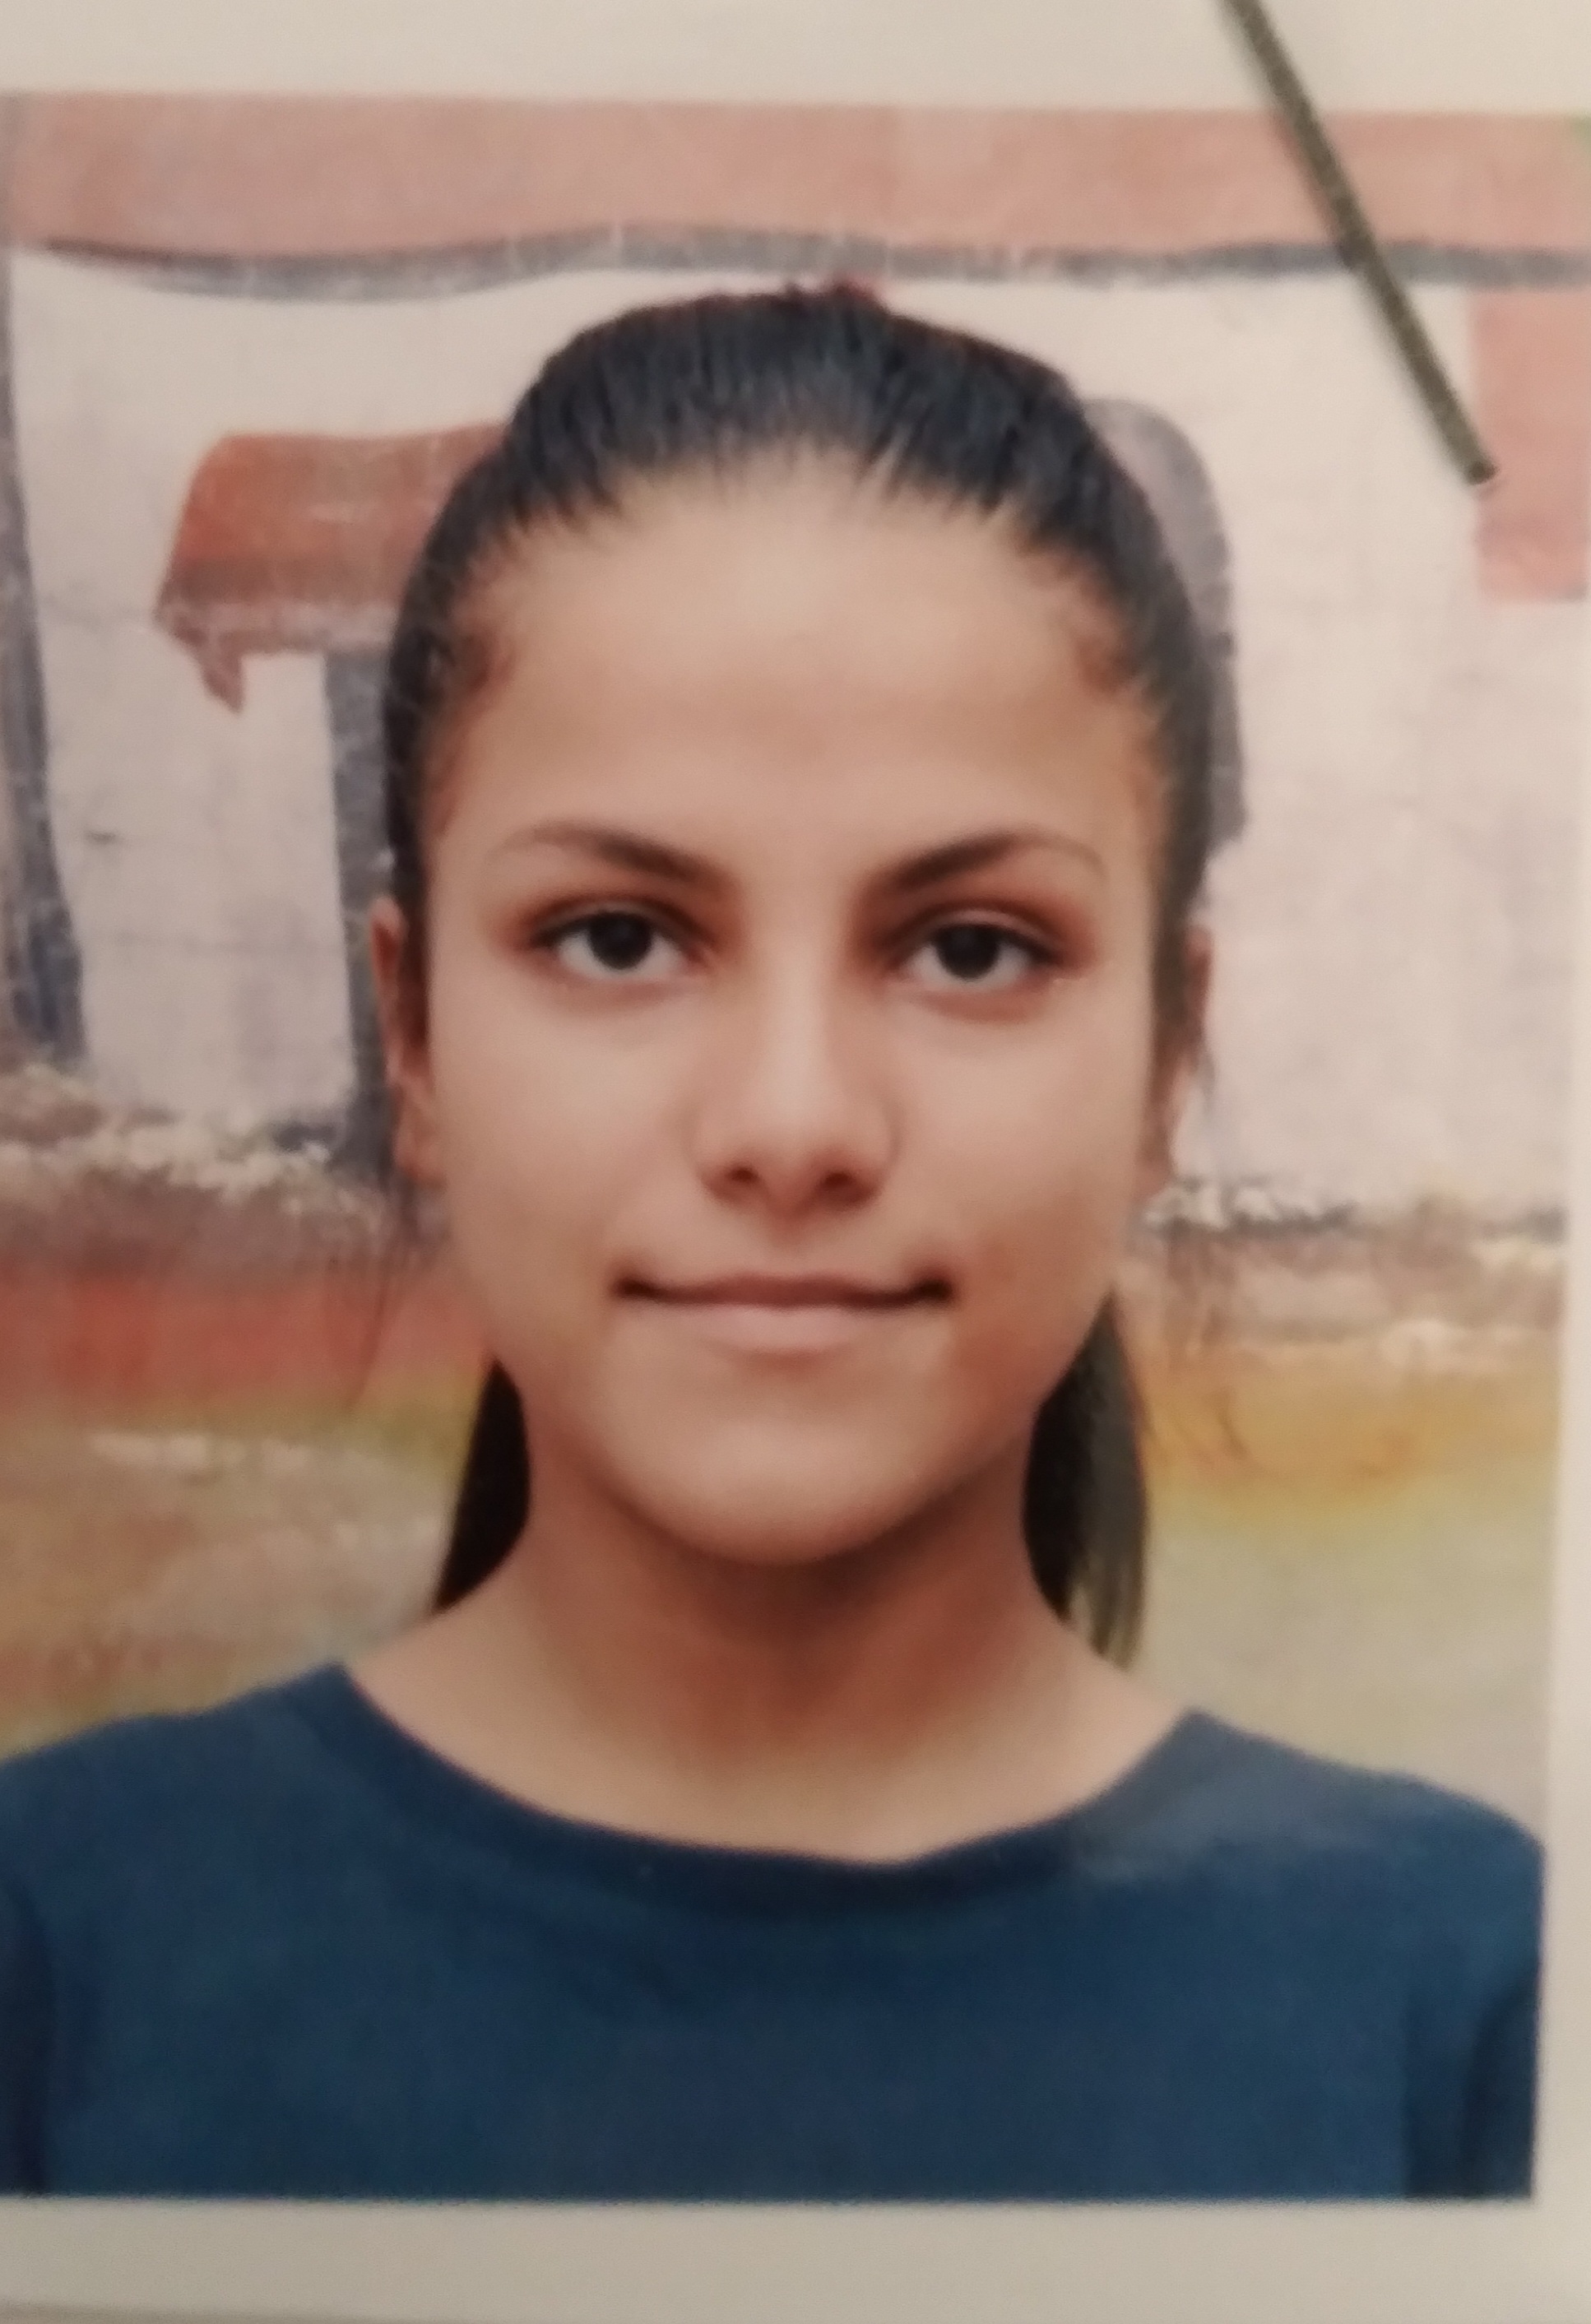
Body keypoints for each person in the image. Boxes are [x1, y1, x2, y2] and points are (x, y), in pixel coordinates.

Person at [0, 285, 1538, 2201]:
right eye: (617, 938)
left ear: (1165, 1058)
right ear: (412, 1037)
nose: (794, 1125)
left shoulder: (1477, 2009)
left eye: (969, 948)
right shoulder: (55, 1953)